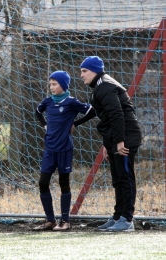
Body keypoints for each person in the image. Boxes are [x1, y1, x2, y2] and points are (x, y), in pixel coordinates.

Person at [74, 56, 142, 232]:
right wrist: (76, 123)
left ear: (95, 70)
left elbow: (117, 114)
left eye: (84, 71)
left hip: (125, 137)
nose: (81, 75)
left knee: (125, 178)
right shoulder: (99, 86)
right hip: (116, 138)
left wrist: (119, 142)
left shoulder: (104, 85)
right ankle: (118, 216)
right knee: (117, 179)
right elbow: (98, 112)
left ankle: (127, 219)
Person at [33, 70, 94, 231]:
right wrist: (46, 126)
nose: (51, 87)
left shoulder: (71, 102)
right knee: (42, 182)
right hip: (49, 149)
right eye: (50, 84)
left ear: (64, 85)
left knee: (64, 183)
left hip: (65, 149)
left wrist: (76, 124)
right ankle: (50, 220)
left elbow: (92, 111)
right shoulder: (47, 102)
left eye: (55, 84)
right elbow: (37, 112)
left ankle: (65, 221)